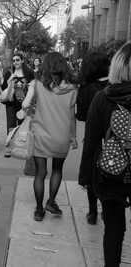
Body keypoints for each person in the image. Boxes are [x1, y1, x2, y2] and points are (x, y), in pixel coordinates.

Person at [78, 42, 131, 267]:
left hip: (112, 172)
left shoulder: (103, 98)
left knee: (113, 230)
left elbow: (91, 143)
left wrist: (86, 179)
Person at [22, 51, 78, 222]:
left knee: (40, 173)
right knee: (57, 170)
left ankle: (39, 210)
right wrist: (73, 136)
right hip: (62, 135)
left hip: (40, 134)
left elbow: (25, 104)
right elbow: (72, 114)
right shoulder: (72, 87)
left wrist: (31, 105)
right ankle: (51, 201)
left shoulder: (37, 84)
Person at [76, 51, 110, 225]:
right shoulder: (115, 85)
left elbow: (80, 115)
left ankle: (92, 212)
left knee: (92, 173)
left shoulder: (85, 88)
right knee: (109, 172)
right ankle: (107, 209)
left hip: (93, 138)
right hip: (114, 138)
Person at [1, 53, 34, 157]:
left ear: (22, 60)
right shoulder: (9, 73)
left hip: (24, 105)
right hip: (11, 103)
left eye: (18, 60)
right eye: (14, 60)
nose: (15, 62)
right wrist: (9, 80)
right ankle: (8, 148)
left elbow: (34, 85)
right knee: (11, 125)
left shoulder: (29, 73)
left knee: (23, 126)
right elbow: (3, 87)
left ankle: (21, 147)